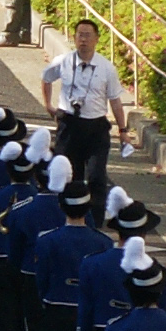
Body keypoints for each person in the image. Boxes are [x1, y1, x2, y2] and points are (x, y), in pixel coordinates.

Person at [50, 22, 123, 207]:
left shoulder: (107, 68)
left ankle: (95, 220)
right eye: (80, 35)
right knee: (69, 174)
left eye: (88, 35)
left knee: (96, 175)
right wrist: (48, 105)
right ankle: (67, 214)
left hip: (96, 126)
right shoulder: (63, 61)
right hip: (69, 123)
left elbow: (115, 100)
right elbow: (46, 78)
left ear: (97, 39)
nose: (83, 39)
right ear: (74, 38)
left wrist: (123, 130)